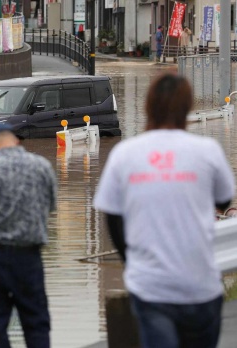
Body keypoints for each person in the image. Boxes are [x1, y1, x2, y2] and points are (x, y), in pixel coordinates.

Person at [94, 73, 234, 348]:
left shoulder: (126, 153)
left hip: (151, 287)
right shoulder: (207, 150)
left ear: (147, 106)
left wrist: (130, 260)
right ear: (187, 107)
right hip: (201, 286)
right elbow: (224, 199)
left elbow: (112, 216)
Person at [0, 123, 56, 348]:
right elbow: (51, 206)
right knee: (36, 324)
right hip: (29, 259)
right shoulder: (42, 167)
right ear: (15, 141)